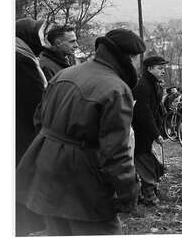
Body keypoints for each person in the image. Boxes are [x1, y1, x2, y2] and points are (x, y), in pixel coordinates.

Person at [16, 28, 146, 236]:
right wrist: (128, 193)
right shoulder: (116, 89)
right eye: (139, 59)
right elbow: (116, 153)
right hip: (82, 183)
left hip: (46, 172)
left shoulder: (64, 73)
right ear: (130, 58)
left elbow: (38, 120)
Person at [15, 17, 47, 236]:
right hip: (24, 134)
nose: (42, 40)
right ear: (29, 36)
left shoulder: (23, 57)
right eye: (40, 35)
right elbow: (36, 103)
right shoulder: (21, 62)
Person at [132, 56, 169, 206]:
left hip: (147, 130)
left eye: (163, 67)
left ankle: (148, 191)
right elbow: (144, 114)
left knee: (150, 161)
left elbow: (155, 109)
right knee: (144, 161)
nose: (163, 71)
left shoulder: (153, 83)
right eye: (159, 68)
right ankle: (148, 196)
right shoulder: (143, 86)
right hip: (140, 131)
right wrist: (156, 134)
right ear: (149, 69)